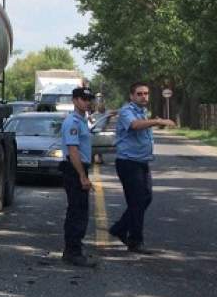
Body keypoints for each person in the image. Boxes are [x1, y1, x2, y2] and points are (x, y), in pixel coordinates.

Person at [108, 82, 176, 253]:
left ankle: (120, 229)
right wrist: (158, 121)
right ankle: (135, 240)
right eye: (139, 94)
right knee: (137, 201)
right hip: (128, 162)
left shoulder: (140, 111)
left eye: (146, 93)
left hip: (141, 161)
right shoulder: (127, 112)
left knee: (145, 198)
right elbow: (134, 125)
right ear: (131, 96)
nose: (144, 96)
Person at [60, 87, 97, 267]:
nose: (87, 102)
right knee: (77, 211)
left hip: (78, 168)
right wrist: (82, 176)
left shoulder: (82, 120)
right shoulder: (72, 122)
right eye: (83, 99)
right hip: (74, 169)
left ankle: (73, 250)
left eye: (89, 98)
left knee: (79, 210)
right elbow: (73, 151)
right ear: (75, 100)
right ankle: (73, 252)